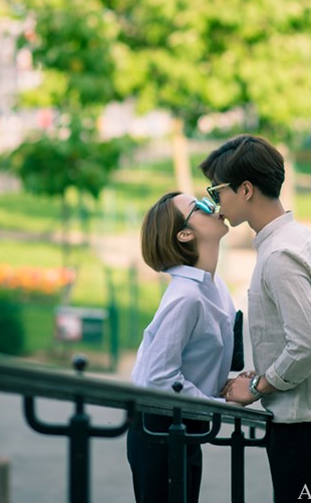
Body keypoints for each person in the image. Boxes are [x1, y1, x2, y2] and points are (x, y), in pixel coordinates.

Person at [200, 134, 311, 503]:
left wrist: (257, 388)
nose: (215, 203)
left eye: (216, 191)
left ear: (245, 190)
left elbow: (308, 344)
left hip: (308, 422)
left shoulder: (279, 254)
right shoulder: (291, 237)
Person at [127, 190, 236, 503]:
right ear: (185, 234)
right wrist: (216, 407)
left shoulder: (215, 287)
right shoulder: (186, 296)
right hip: (157, 429)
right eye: (200, 206)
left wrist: (227, 385)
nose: (213, 206)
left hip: (184, 425)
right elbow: (157, 377)